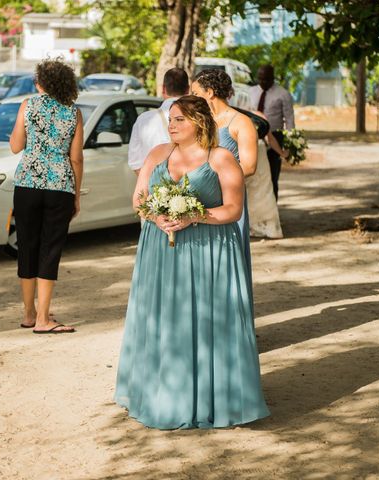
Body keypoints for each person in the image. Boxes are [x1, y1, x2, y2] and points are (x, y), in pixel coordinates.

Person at [114, 95, 269, 429]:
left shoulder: (221, 158)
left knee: (204, 320)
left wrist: (193, 217)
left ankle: (211, 398)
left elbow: (233, 210)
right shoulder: (157, 155)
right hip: (160, 249)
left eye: (179, 120)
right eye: (170, 120)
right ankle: (159, 394)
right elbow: (139, 199)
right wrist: (156, 217)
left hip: (208, 250)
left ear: (199, 122)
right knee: (163, 320)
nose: (171, 126)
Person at [9, 59, 83, 334]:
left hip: (27, 183)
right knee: (49, 250)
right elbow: (76, 159)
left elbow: (16, 146)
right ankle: (43, 318)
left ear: (40, 83)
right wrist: (76, 195)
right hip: (60, 185)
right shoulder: (73, 112)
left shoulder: (28, 106)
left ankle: (29, 314)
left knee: (27, 246)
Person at [191, 69, 258, 290]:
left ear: (209, 92)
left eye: (195, 92)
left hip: (229, 199)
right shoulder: (200, 122)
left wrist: (212, 178)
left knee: (230, 259)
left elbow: (249, 166)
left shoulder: (241, 122)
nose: (192, 98)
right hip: (200, 199)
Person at [127, 68, 189, 174]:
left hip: (154, 187)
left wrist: (153, 187)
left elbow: (135, 163)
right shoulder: (197, 118)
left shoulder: (144, 120)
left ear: (163, 89)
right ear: (188, 90)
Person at [249, 64, 295, 200]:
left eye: (266, 79)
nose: (262, 82)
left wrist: (289, 143)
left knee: (272, 175)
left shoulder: (283, 94)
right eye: (260, 79)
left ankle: (272, 204)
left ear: (272, 78)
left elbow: (289, 119)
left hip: (275, 135)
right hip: (252, 137)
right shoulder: (250, 91)